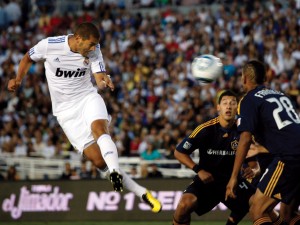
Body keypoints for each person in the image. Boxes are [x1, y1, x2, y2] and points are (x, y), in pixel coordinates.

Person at [7, 22, 161, 213]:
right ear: (78, 39)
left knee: (99, 130)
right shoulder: (49, 45)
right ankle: (142, 192)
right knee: (97, 161)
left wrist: (104, 80)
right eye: (91, 44)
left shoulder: (94, 50)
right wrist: (18, 79)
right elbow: (27, 58)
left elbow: (98, 77)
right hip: (65, 112)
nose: (94, 48)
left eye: (96, 44)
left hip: (87, 98)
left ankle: (115, 172)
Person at [225, 60, 300, 225]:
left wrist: (233, 177)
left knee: (257, 209)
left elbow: (245, 138)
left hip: (290, 157)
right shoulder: (280, 95)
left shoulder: (249, 99)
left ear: (245, 78)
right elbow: (284, 133)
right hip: (294, 152)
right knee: (288, 213)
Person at [172, 90, 260, 225]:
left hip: (233, 182)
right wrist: (198, 170)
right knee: (184, 205)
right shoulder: (205, 129)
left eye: (232, 103)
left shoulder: (244, 132)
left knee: (259, 204)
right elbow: (179, 152)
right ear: (218, 107)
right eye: (225, 103)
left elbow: (254, 164)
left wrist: (254, 170)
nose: (229, 106)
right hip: (207, 181)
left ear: (237, 107)